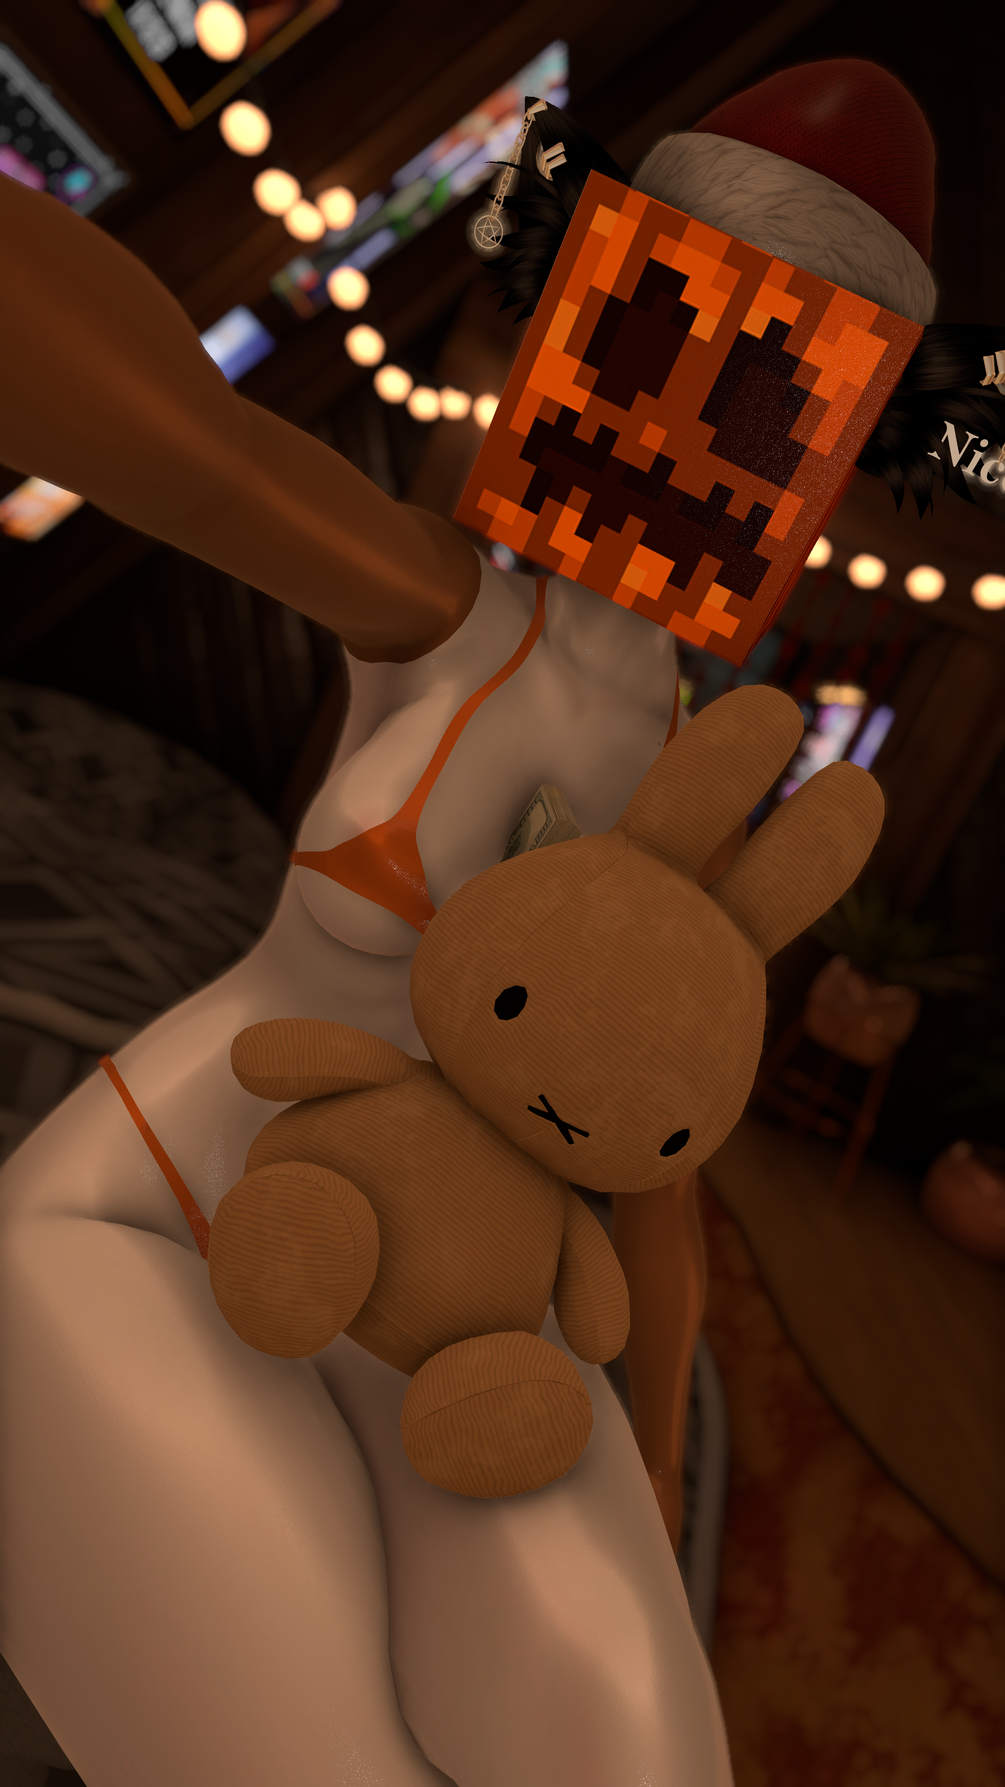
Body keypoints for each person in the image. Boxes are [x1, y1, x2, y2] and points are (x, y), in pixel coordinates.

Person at [0, 56, 997, 1787]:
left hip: (463, 1295)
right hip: (170, 1206)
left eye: (778, 414)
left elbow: (657, 1173)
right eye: (667, 341)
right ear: (585, 321)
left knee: (640, 1739)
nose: (699, 439)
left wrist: (657, 1449)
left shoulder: (689, 773)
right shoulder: (447, 612)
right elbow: (195, 451)